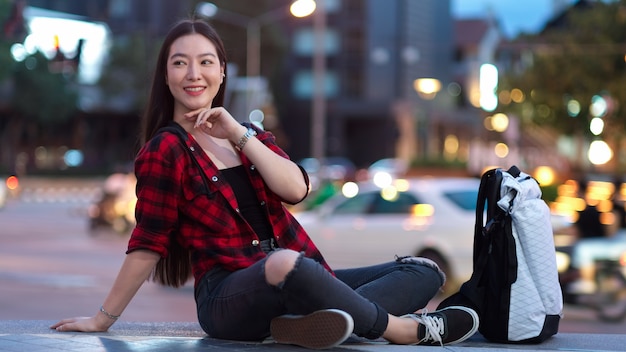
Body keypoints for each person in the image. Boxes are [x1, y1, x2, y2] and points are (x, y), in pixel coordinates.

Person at [51, 18, 479, 349]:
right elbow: (148, 242)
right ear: (166, 77)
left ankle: (313, 326)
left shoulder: (249, 138)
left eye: (205, 62)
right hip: (228, 297)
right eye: (179, 62)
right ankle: (399, 331)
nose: (193, 73)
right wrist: (103, 318)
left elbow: (296, 190)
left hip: (299, 273)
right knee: (282, 264)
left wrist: (238, 133)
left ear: (222, 73)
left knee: (423, 270)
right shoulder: (166, 150)